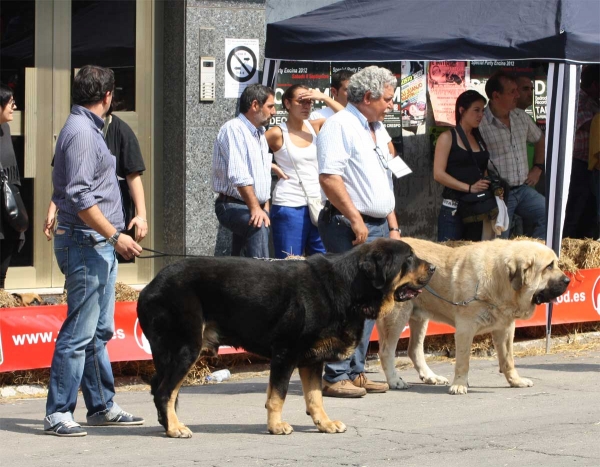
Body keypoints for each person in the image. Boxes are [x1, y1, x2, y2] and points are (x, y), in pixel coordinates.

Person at [44, 65, 144, 437]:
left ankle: (100, 405)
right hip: (87, 243)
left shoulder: (86, 128)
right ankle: (58, 412)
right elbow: (81, 196)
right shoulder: (84, 133)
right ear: (107, 97)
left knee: (99, 331)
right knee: (79, 332)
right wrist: (115, 236)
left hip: (95, 242)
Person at [317, 65, 400, 398]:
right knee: (348, 301)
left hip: (375, 224)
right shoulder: (339, 126)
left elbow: (384, 179)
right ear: (368, 97)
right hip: (349, 224)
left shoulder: (376, 128)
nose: (392, 106)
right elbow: (329, 178)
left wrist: (392, 225)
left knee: (372, 301)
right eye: (388, 100)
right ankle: (335, 373)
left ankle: (355, 370)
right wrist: (355, 219)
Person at [43, 105, 148, 246]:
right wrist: (52, 209)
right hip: (81, 225)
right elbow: (65, 178)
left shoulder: (121, 130)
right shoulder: (79, 131)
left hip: (111, 220)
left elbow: (133, 175)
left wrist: (141, 215)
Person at [266, 85, 342, 258]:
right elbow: (249, 152)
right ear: (287, 103)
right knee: (289, 262)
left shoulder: (315, 126)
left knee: (323, 262)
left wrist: (324, 97)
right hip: (289, 204)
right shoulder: (277, 133)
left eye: (309, 102)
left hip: (318, 204)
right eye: (301, 101)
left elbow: (350, 120)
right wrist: (270, 165)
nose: (306, 106)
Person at [478, 70, 547, 239]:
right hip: (499, 193)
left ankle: (533, 258)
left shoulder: (520, 116)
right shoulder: (481, 122)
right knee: (500, 240)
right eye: (512, 92)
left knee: (549, 213)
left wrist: (538, 167)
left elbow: (540, 139)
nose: (517, 95)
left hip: (522, 189)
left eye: (517, 90)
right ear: (496, 96)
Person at [212, 84, 276, 258]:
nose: (274, 112)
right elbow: (238, 175)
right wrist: (256, 209)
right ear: (255, 105)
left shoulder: (261, 133)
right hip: (231, 204)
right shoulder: (234, 128)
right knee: (258, 226)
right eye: (270, 106)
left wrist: (265, 207)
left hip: (254, 206)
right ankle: (262, 281)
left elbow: (263, 175)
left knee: (240, 260)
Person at [433, 90, 491, 241]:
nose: (480, 115)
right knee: (448, 259)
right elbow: (438, 174)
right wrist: (469, 188)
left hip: (476, 208)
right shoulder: (447, 137)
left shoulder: (479, 137)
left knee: (473, 258)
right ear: (462, 110)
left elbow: (483, 168)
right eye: (476, 110)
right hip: (454, 208)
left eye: (482, 111)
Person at [563, 65, 600, 239]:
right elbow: (589, 124)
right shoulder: (577, 99)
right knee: (574, 210)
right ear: (594, 84)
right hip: (578, 163)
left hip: (591, 164)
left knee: (590, 210)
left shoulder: (593, 101)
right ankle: (567, 245)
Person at [0, 83, 26, 289]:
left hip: (7, 212)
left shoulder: (5, 129)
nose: (14, 107)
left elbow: (12, 176)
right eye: (10, 103)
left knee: (2, 272)